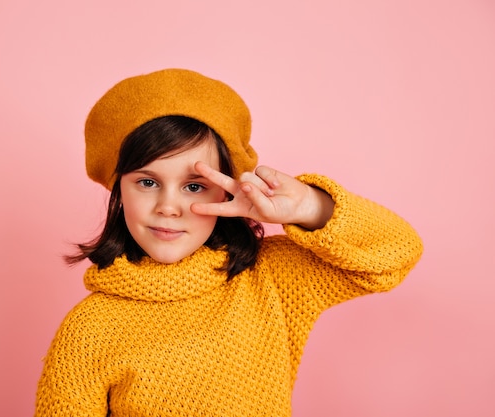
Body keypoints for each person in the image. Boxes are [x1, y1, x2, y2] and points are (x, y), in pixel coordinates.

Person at [34, 68, 423, 416]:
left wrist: (307, 204)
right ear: (119, 188)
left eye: (194, 186)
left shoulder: (270, 279)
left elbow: (396, 253)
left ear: (226, 192)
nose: (169, 207)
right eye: (148, 182)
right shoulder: (88, 331)